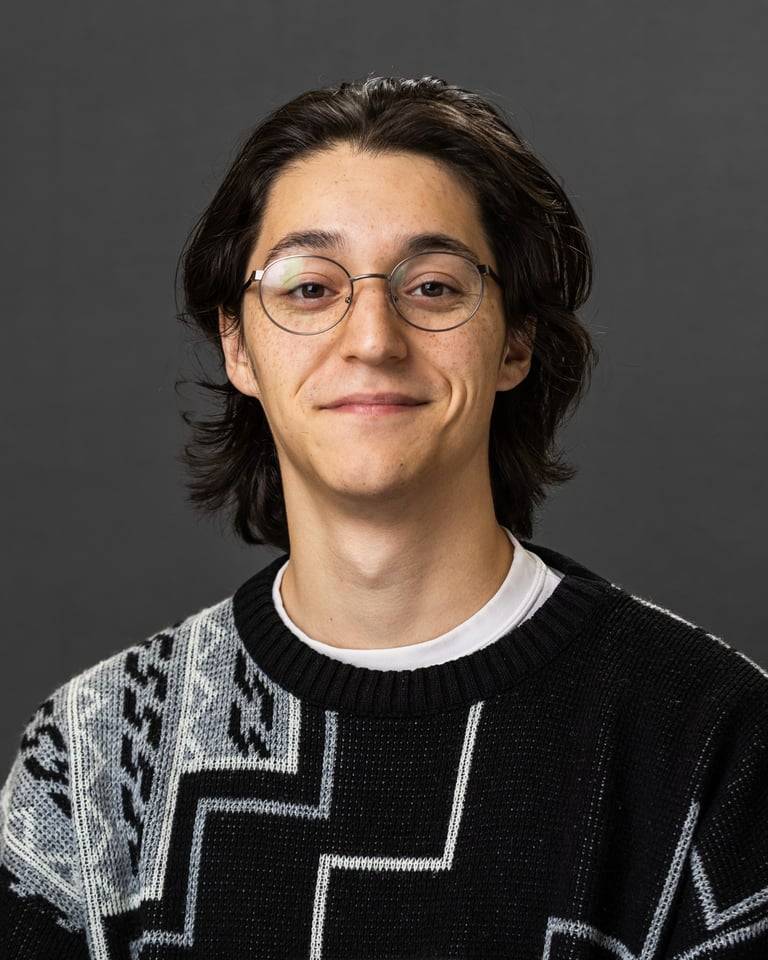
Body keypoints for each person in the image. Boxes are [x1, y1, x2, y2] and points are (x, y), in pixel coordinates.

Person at [2, 75, 766, 960]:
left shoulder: (710, 740)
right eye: (310, 289)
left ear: (515, 340)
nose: (372, 338)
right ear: (238, 346)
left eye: (435, 287)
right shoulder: (96, 755)